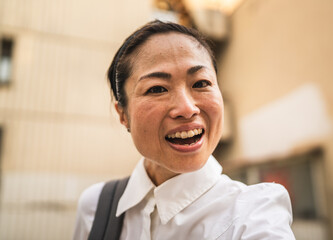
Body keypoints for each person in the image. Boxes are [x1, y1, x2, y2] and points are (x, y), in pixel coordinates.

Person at [73, 20, 295, 240]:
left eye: (201, 83)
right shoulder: (96, 208)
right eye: (157, 89)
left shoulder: (255, 214)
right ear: (123, 114)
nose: (187, 109)